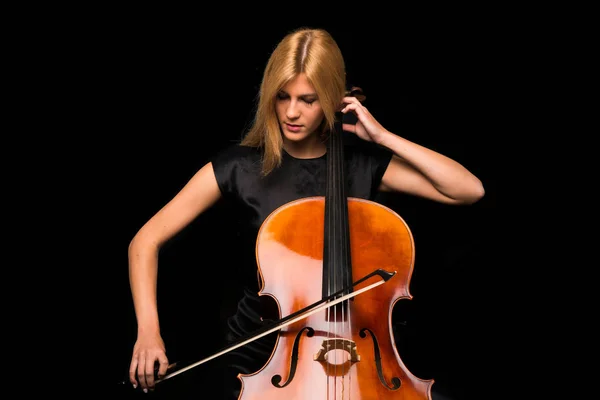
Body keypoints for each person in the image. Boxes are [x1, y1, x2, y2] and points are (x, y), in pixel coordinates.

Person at [126, 27, 485, 399]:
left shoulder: (360, 166)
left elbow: (467, 190)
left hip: (355, 351)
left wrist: (382, 137)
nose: (291, 112)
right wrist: (149, 333)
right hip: (258, 357)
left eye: (309, 100)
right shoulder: (238, 167)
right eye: (282, 97)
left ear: (331, 101)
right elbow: (144, 242)